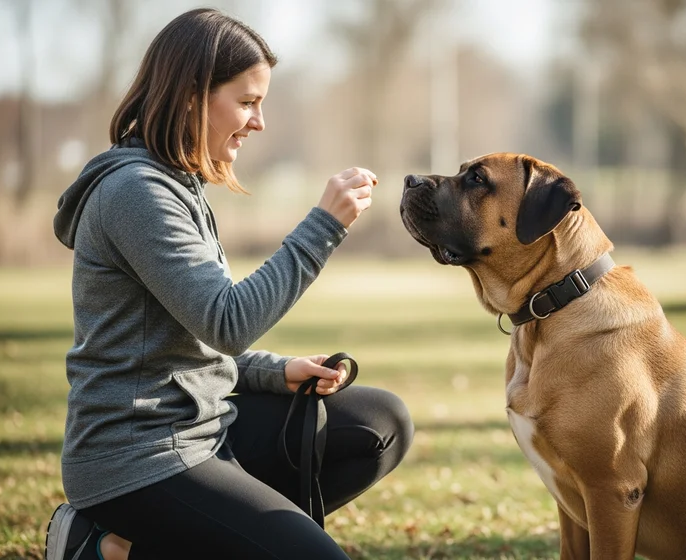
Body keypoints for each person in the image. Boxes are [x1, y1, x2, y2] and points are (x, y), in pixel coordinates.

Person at [44, 8, 413, 560]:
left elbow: (183, 338)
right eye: (246, 102)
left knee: (381, 423)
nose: (258, 121)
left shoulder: (177, 184)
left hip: (207, 430)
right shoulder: (136, 193)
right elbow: (228, 322)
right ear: (192, 96)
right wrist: (324, 226)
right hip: (138, 457)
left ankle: (128, 549)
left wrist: (273, 372)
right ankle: (96, 543)